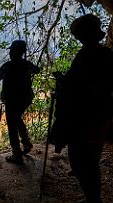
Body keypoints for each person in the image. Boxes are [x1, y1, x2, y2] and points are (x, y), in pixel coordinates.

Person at [52, 14, 113, 203]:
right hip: (101, 115)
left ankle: (93, 199)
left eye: (78, 34)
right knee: (90, 161)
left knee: (80, 162)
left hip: (85, 118)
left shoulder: (87, 55)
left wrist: (64, 83)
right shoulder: (106, 54)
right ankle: (92, 198)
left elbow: (81, 84)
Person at [0, 40, 40, 164]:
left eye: (11, 51)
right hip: (26, 99)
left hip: (12, 100)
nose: (10, 53)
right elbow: (37, 70)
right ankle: (26, 143)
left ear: (12, 52)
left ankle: (17, 154)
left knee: (12, 125)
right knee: (17, 119)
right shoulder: (27, 64)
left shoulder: (8, 66)